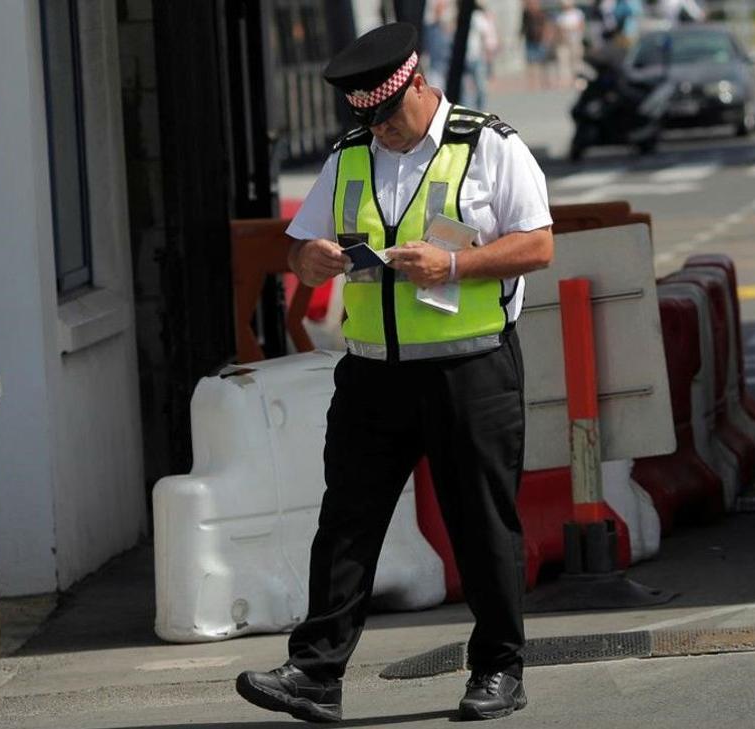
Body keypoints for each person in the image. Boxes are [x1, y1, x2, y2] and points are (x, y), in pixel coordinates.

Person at [233, 22, 553, 724]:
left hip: (470, 368)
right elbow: (300, 246)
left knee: (481, 523)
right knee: (346, 521)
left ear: (416, 84)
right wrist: (306, 261)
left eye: (390, 115)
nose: (383, 131)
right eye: (369, 120)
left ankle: (499, 667)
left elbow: (537, 242)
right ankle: (315, 673)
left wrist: (456, 265)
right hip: (373, 373)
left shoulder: (487, 143)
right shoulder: (351, 155)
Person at [522, 0, 553, 88]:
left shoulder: (542, 14)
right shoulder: (526, 14)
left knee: (543, 63)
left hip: (540, 41)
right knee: (531, 63)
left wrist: (546, 39)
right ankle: (533, 83)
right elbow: (523, 26)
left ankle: (545, 82)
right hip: (530, 40)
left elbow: (547, 26)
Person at [554, 0, 586, 86]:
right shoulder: (560, 15)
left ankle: (579, 80)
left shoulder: (578, 13)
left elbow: (581, 26)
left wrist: (569, 29)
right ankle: (565, 81)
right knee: (563, 61)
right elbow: (559, 29)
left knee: (577, 61)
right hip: (564, 42)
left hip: (575, 41)